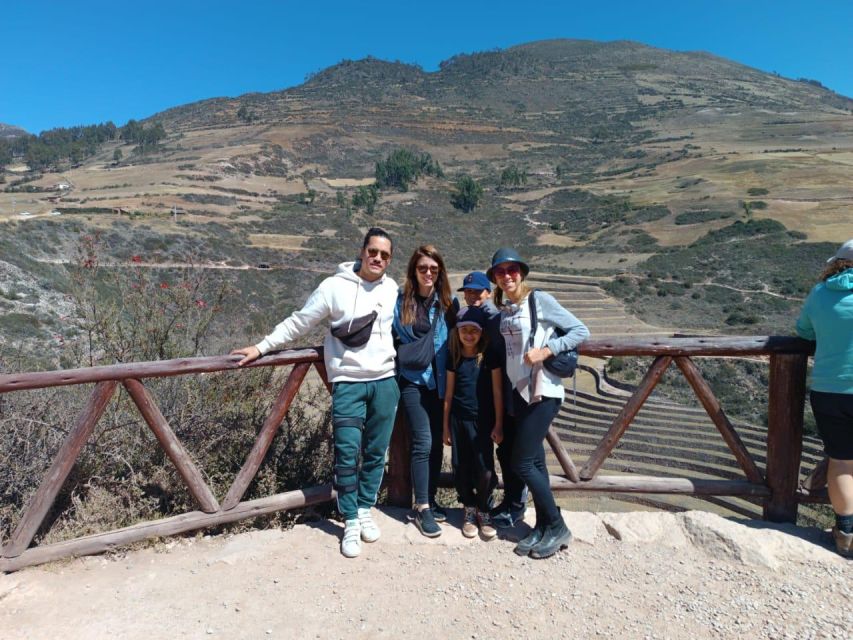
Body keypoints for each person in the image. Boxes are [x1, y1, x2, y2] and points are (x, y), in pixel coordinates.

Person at [231, 228, 400, 559]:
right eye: (373, 251)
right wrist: (262, 347)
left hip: (385, 381)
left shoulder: (392, 288)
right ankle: (350, 519)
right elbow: (299, 322)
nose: (378, 258)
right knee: (347, 454)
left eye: (385, 255)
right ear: (362, 251)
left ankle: (365, 508)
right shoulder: (334, 287)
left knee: (377, 452)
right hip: (348, 383)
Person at [488, 247, 589, 559]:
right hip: (519, 395)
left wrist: (546, 351)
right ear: (494, 277)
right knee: (535, 462)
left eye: (512, 270)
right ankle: (544, 526)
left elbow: (580, 330)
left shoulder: (539, 300)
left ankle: (557, 526)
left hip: (542, 392)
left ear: (522, 272)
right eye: (500, 271)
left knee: (521, 463)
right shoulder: (507, 309)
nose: (507, 276)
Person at [796, 238, 853, 558]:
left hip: (830, 391)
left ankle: (846, 532)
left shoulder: (820, 294)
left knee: (842, 461)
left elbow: (803, 331)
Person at [458, 271, 528, 527]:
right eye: (469, 292)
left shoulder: (494, 315)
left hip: (510, 391)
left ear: (488, 292)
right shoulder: (473, 315)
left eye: (478, 291)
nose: (473, 296)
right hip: (495, 394)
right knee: (504, 450)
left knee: (511, 450)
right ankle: (510, 503)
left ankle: (516, 503)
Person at [393, 245, 454, 537]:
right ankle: (422, 507)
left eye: (433, 268)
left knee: (435, 446)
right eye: (422, 268)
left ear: (439, 270)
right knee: (423, 440)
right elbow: (398, 334)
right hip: (413, 381)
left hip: (439, 382)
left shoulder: (446, 304)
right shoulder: (401, 302)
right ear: (413, 272)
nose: (428, 273)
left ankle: (429, 499)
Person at [442, 305, 501, 540]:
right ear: (457, 332)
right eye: (464, 330)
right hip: (458, 420)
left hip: (483, 422)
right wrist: (445, 426)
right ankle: (468, 509)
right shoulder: (453, 357)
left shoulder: (489, 357)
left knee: (485, 469)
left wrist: (499, 424)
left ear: (481, 333)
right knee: (460, 467)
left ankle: (483, 509)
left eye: (473, 330)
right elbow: (448, 395)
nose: (468, 335)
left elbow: (497, 392)